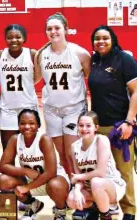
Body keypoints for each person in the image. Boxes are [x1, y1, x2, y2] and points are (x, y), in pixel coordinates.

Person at [88, 25, 137, 220]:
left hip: (119, 125)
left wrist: (129, 121)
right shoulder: (95, 60)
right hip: (97, 126)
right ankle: (97, 206)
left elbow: (136, 91)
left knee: (123, 169)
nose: (101, 42)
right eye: (97, 39)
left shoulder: (125, 60)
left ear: (113, 40)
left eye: (105, 38)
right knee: (98, 169)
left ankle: (128, 209)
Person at [34, 12, 91, 175]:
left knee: (72, 153)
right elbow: (35, 79)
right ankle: (69, 190)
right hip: (51, 109)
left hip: (74, 108)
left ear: (65, 29)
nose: (53, 32)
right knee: (62, 156)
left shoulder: (80, 53)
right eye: (49, 29)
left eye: (57, 28)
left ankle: (80, 191)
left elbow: (89, 77)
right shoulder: (41, 54)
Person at [0, 109, 70, 220]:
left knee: (55, 185)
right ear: (18, 125)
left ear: (38, 125)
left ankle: (60, 211)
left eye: (31, 123)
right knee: (3, 180)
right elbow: (3, 166)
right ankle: (32, 204)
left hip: (51, 180)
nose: (27, 126)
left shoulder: (44, 139)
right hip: (31, 179)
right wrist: (25, 171)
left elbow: (51, 172)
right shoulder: (15, 139)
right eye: (23, 123)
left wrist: (26, 187)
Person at [67, 111, 126, 220]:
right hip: (91, 187)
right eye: (81, 125)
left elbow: (100, 172)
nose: (84, 129)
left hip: (111, 186)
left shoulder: (101, 140)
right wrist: (77, 190)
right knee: (71, 200)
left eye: (88, 125)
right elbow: (77, 176)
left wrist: (79, 177)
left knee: (96, 181)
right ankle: (96, 207)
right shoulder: (74, 147)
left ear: (96, 127)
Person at [0, 24, 38, 150]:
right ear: (5, 39)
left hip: (28, 107)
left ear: (24, 38)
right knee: (8, 149)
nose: (14, 40)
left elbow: (38, 76)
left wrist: (28, 84)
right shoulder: (0, 54)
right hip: (7, 108)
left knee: (30, 150)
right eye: (10, 37)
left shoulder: (31, 54)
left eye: (18, 37)